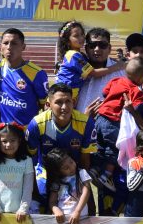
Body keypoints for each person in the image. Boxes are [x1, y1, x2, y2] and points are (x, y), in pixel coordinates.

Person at [92, 56, 143, 213]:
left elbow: (105, 92)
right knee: (114, 148)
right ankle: (107, 175)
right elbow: (136, 107)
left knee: (100, 145)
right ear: (141, 77)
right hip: (113, 122)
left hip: (100, 118)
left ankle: (96, 169)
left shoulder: (116, 80)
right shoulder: (136, 90)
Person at [26, 83, 97, 212]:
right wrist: (34, 190)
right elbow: (31, 160)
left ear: (74, 102)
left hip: (74, 172)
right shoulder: (36, 124)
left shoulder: (86, 123)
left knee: (90, 209)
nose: (64, 107)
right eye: (58, 102)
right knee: (44, 208)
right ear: (49, 104)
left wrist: (80, 181)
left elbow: (85, 159)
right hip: (47, 172)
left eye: (68, 101)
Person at [54, 20, 123, 102]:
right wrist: (117, 66)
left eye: (82, 34)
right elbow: (94, 73)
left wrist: (115, 61)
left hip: (69, 96)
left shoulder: (79, 55)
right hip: (62, 96)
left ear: (109, 48)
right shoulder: (73, 55)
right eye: (76, 36)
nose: (81, 38)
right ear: (67, 41)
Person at [0, 28, 48, 125]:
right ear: (0, 46)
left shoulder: (37, 73)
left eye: (14, 43)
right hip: (2, 132)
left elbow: (45, 106)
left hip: (26, 133)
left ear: (23, 47)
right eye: (5, 43)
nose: (9, 47)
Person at [0, 124, 34, 222]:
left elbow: (28, 188)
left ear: (19, 141)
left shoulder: (27, 161)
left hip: (20, 214)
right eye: (4, 141)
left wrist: (23, 209)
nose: (8, 145)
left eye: (12, 141)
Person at [76, 27, 121, 114]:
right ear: (86, 48)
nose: (97, 49)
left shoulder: (121, 72)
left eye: (102, 45)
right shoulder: (76, 69)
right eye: (92, 45)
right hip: (76, 126)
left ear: (109, 48)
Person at [44, 147, 91, 224]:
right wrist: (56, 210)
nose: (72, 167)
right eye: (66, 168)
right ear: (58, 171)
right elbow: (52, 201)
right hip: (61, 221)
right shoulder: (57, 182)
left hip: (81, 218)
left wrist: (77, 211)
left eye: (71, 162)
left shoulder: (82, 173)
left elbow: (86, 192)